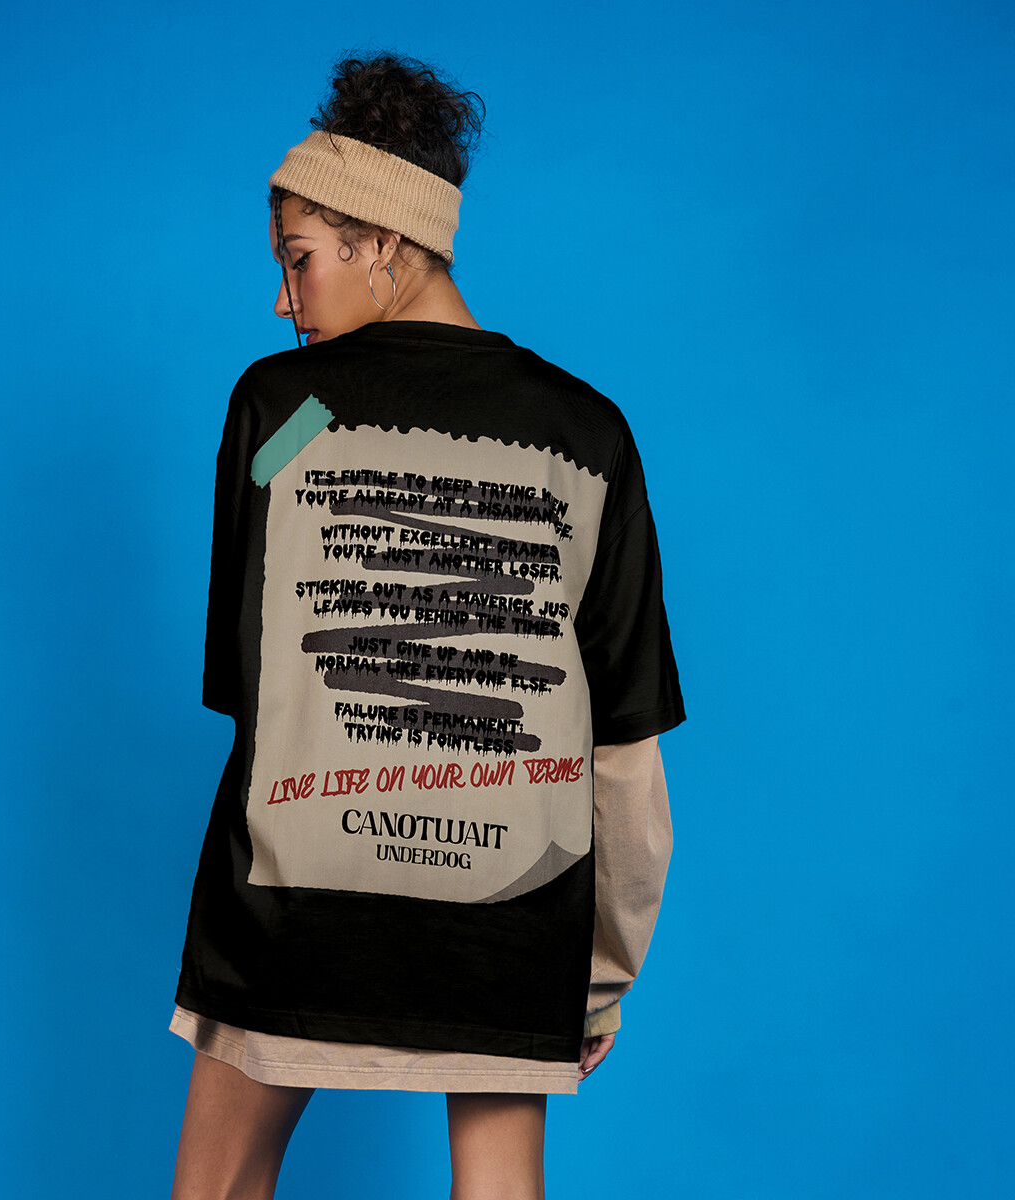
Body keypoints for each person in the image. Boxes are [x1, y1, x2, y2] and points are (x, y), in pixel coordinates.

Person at [169, 53, 685, 1200]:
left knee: (216, 1185)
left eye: (298, 260)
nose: (283, 301)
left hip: (290, 906)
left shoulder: (280, 410)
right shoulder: (588, 434)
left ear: (384, 243)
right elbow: (624, 750)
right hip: (508, 922)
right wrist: (597, 974)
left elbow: (252, 687)